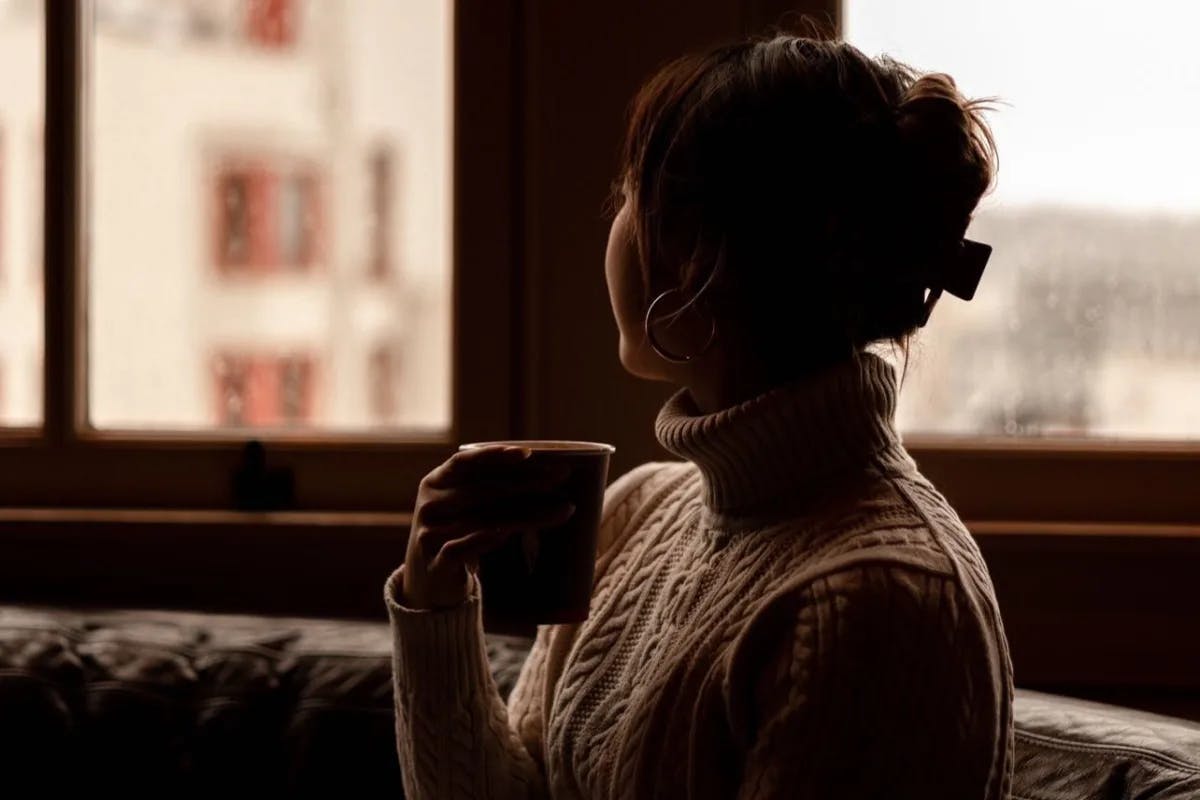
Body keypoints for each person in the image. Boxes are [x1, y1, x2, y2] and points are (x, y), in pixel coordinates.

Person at [384, 32, 1014, 800]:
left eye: (629, 192)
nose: (612, 223)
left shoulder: (882, 606)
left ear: (701, 263)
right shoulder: (639, 513)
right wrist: (434, 603)